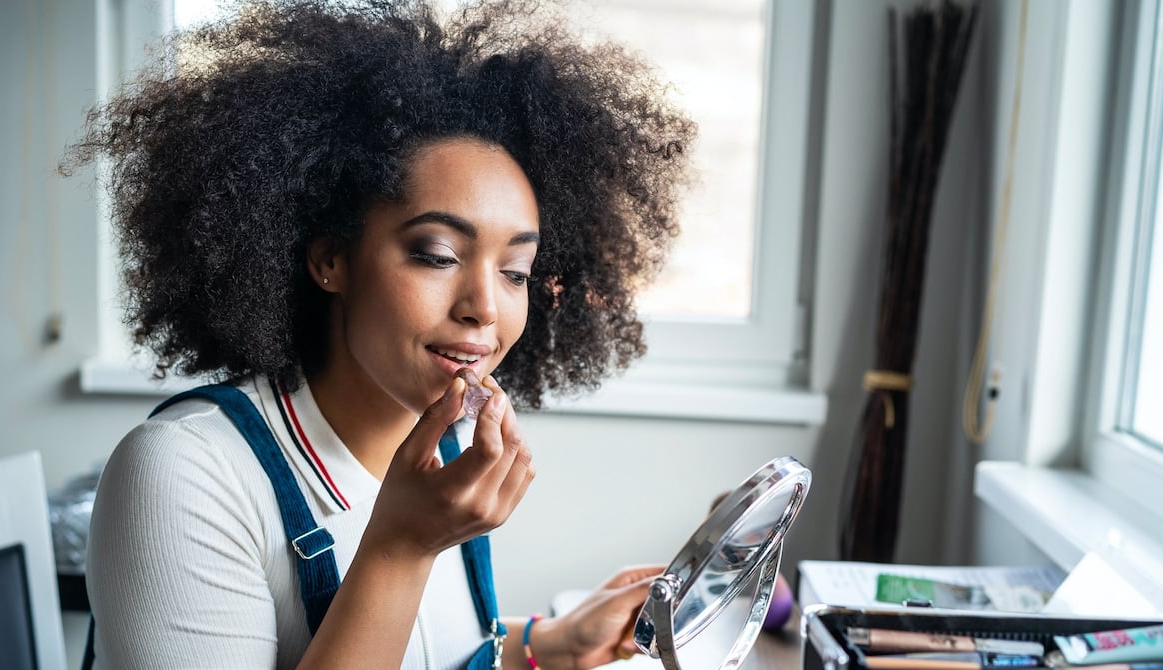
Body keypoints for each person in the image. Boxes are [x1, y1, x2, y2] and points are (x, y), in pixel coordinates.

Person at [66, 0, 695, 668]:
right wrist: (401, 547)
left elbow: (424, 649)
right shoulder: (183, 475)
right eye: (437, 254)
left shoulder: (438, 449)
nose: (485, 306)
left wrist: (550, 645)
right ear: (330, 260)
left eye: (515, 272)